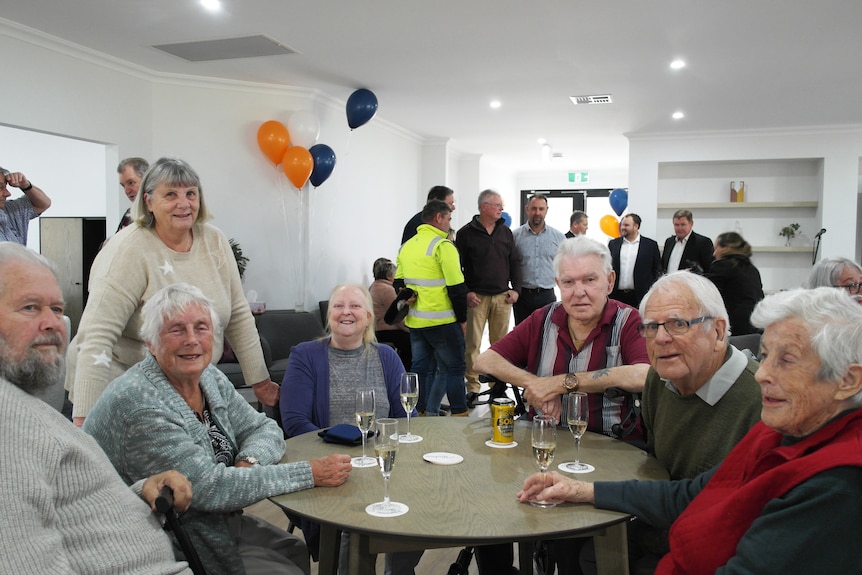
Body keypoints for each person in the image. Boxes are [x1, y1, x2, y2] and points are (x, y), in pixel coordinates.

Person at [519, 286, 862, 575]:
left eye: (786, 360)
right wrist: (582, 490)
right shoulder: (783, 429)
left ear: (848, 380)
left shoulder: (837, 485)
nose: (762, 374)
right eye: (765, 355)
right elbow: (689, 494)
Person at [84, 283, 352, 575]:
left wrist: (247, 462)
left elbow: (263, 427)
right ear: (150, 342)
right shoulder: (140, 402)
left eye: (201, 328)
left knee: (295, 550)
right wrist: (309, 473)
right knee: (285, 571)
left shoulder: (208, 377)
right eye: (176, 330)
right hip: (154, 541)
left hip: (208, 521)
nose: (191, 340)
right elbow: (209, 488)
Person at [0, 242, 193, 575]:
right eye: (30, 307)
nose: (53, 323)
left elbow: (66, 509)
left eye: (57, 309)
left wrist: (139, 492)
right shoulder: (8, 421)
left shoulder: (24, 404)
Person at [472, 236, 650, 575]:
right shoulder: (543, 319)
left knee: (569, 537)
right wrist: (533, 385)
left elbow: (643, 374)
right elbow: (485, 359)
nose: (578, 291)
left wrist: (562, 383)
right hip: (543, 446)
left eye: (589, 279)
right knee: (488, 506)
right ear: (557, 285)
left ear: (609, 281)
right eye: (568, 282)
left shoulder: (629, 320)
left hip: (612, 451)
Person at [65, 156, 279, 425]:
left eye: (190, 193)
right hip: (122, 380)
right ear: (148, 201)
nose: (183, 203)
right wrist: (86, 420)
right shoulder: (128, 250)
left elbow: (237, 314)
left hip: (186, 380)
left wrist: (260, 381)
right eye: (170, 195)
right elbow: (96, 335)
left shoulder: (214, 240)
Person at [280, 283, 421, 574]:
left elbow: (408, 418)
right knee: (354, 531)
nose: (346, 312)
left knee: (418, 510)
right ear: (329, 314)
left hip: (384, 463)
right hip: (332, 468)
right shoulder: (306, 355)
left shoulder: (387, 356)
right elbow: (295, 423)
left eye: (355, 306)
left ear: (369, 316)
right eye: (338, 306)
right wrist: (345, 452)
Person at [395, 200, 468, 416]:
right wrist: (462, 320)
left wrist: (407, 296)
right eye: (448, 218)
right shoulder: (442, 246)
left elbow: (398, 284)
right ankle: (460, 414)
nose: (448, 223)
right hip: (442, 322)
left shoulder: (407, 246)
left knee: (420, 369)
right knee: (454, 368)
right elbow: (457, 288)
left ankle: (419, 414)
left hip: (416, 322)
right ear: (438, 217)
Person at [456, 189, 522, 408]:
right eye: (497, 205)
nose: (501, 210)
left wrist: (516, 289)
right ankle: (472, 387)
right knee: (472, 344)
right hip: (477, 298)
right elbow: (458, 266)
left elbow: (514, 262)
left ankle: (497, 386)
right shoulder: (466, 233)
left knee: (500, 345)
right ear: (484, 206)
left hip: (502, 297)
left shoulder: (505, 232)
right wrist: (466, 291)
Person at [512, 194, 566, 325]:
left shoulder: (558, 237)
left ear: (547, 210)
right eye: (534, 208)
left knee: (547, 334)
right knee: (522, 336)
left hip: (547, 296)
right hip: (522, 296)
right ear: (527, 209)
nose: (537, 213)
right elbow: (509, 265)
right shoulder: (515, 236)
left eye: (541, 209)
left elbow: (565, 266)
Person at [705, 231, 764, 335]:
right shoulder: (752, 269)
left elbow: (708, 294)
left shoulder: (722, 266)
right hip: (756, 324)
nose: (714, 254)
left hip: (734, 326)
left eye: (716, 248)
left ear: (725, 248)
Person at [608, 213, 662, 308]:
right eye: (622, 225)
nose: (622, 227)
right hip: (616, 295)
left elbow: (657, 269)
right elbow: (608, 267)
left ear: (636, 226)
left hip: (640, 296)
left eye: (626, 225)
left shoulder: (650, 245)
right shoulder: (613, 244)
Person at [369, 257, 412, 368]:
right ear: (389, 276)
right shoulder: (386, 290)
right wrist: (412, 330)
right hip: (388, 331)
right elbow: (396, 317)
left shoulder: (373, 287)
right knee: (415, 343)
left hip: (377, 331)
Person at [0, 166, 51, 244]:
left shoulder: (9, 210)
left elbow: (43, 204)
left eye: (5, 187)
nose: (7, 193)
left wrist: (25, 185)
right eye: (0, 187)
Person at [661, 209, 714, 274]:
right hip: (668, 283)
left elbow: (708, 270)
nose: (679, 228)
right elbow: (663, 266)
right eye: (676, 225)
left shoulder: (703, 243)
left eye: (683, 224)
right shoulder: (669, 242)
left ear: (691, 224)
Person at [116, 157, 149, 232]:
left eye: (131, 183)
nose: (127, 191)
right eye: (123, 186)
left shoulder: (159, 213)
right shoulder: (129, 214)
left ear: (146, 180)